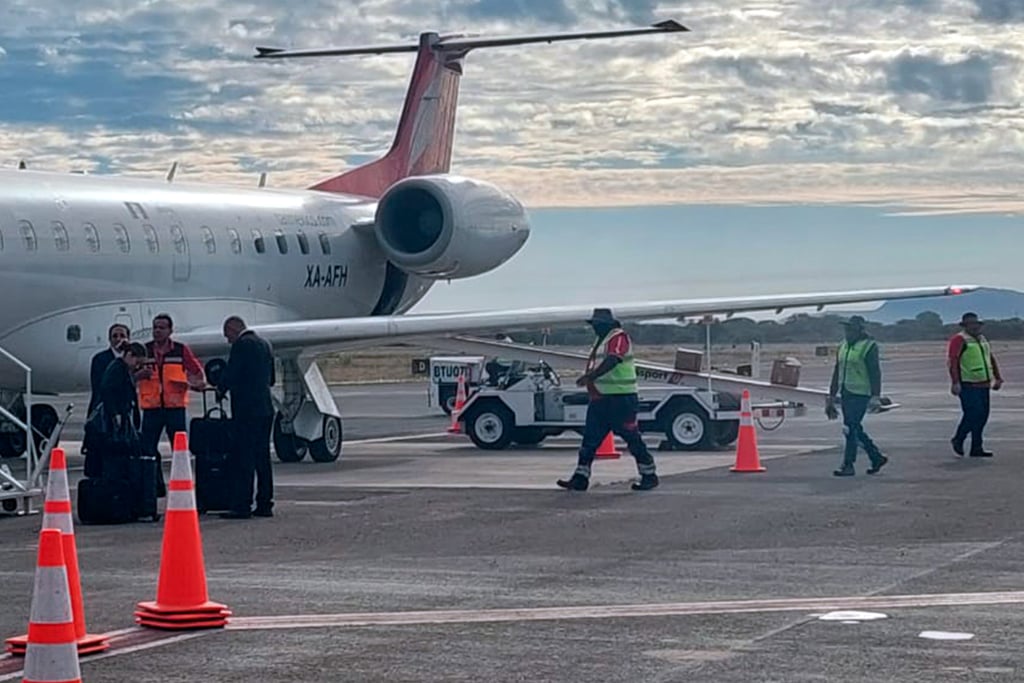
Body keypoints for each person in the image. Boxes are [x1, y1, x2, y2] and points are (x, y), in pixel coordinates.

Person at [557, 308, 658, 492]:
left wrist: (590, 377)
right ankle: (580, 477)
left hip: (621, 398)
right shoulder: (601, 339)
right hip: (601, 398)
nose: (594, 328)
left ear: (606, 324)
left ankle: (649, 475)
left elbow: (613, 360)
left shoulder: (618, 337)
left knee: (631, 437)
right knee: (590, 440)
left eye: (597, 324)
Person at [137, 314, 206, 497]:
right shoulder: (145, 351)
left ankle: (183, 483)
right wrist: (139, 375)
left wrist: (191, 384)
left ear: (170, 330)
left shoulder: (180, 350)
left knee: (179, 449)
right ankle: (153, 486)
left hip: (174, 407)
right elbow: (131, 373)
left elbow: (197, 372)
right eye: (155, 328)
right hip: (152, 407)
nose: (157, 331)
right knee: (148, 449)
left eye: (161, 328)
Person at [216, 316, 276, 519]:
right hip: (266, 408)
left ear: (233, 329)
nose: (228, 341)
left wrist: (220, 387)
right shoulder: (265, 344)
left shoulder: (242, 345)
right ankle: (265, 503)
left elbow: (232, 373)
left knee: (244, 458)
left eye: (228, 336)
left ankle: (242, 505)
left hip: (247, 410)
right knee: (263, 458)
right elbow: (272, 378)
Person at [827, 315, 887, 477]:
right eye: (846, 329)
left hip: (861, 393)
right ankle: (876, 456)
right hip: (846, 392)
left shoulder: (869, 346)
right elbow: (837, 370)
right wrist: (831, 395)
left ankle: (848, 464)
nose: (847, 332)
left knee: (850, 428)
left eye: (851, 329)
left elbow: (875, 372)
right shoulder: (843, 346)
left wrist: (876, 396)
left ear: (859, 330)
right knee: (854, 428)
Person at [948, 312, 1003, 458]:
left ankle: (976, 447)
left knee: (983, 415)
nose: (974, 327)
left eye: (976, 324)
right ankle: (959, 438)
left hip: (984, 383)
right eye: (970, 324)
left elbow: (990, 358)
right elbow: (953, 361)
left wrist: (997, 377)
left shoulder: (982, 339)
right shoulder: (959, 339)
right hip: (968, 384)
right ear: (965, 326)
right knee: (973, 414)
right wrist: (955, 382)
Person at [88, 323, 130, 417]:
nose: (118, 339)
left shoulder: (131, 358)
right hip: (105, 409)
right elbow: (100, 386)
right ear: (110, 339)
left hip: (126, 409)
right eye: (115, 336)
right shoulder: (99, 359)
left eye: (122, 336)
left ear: (128, 339)